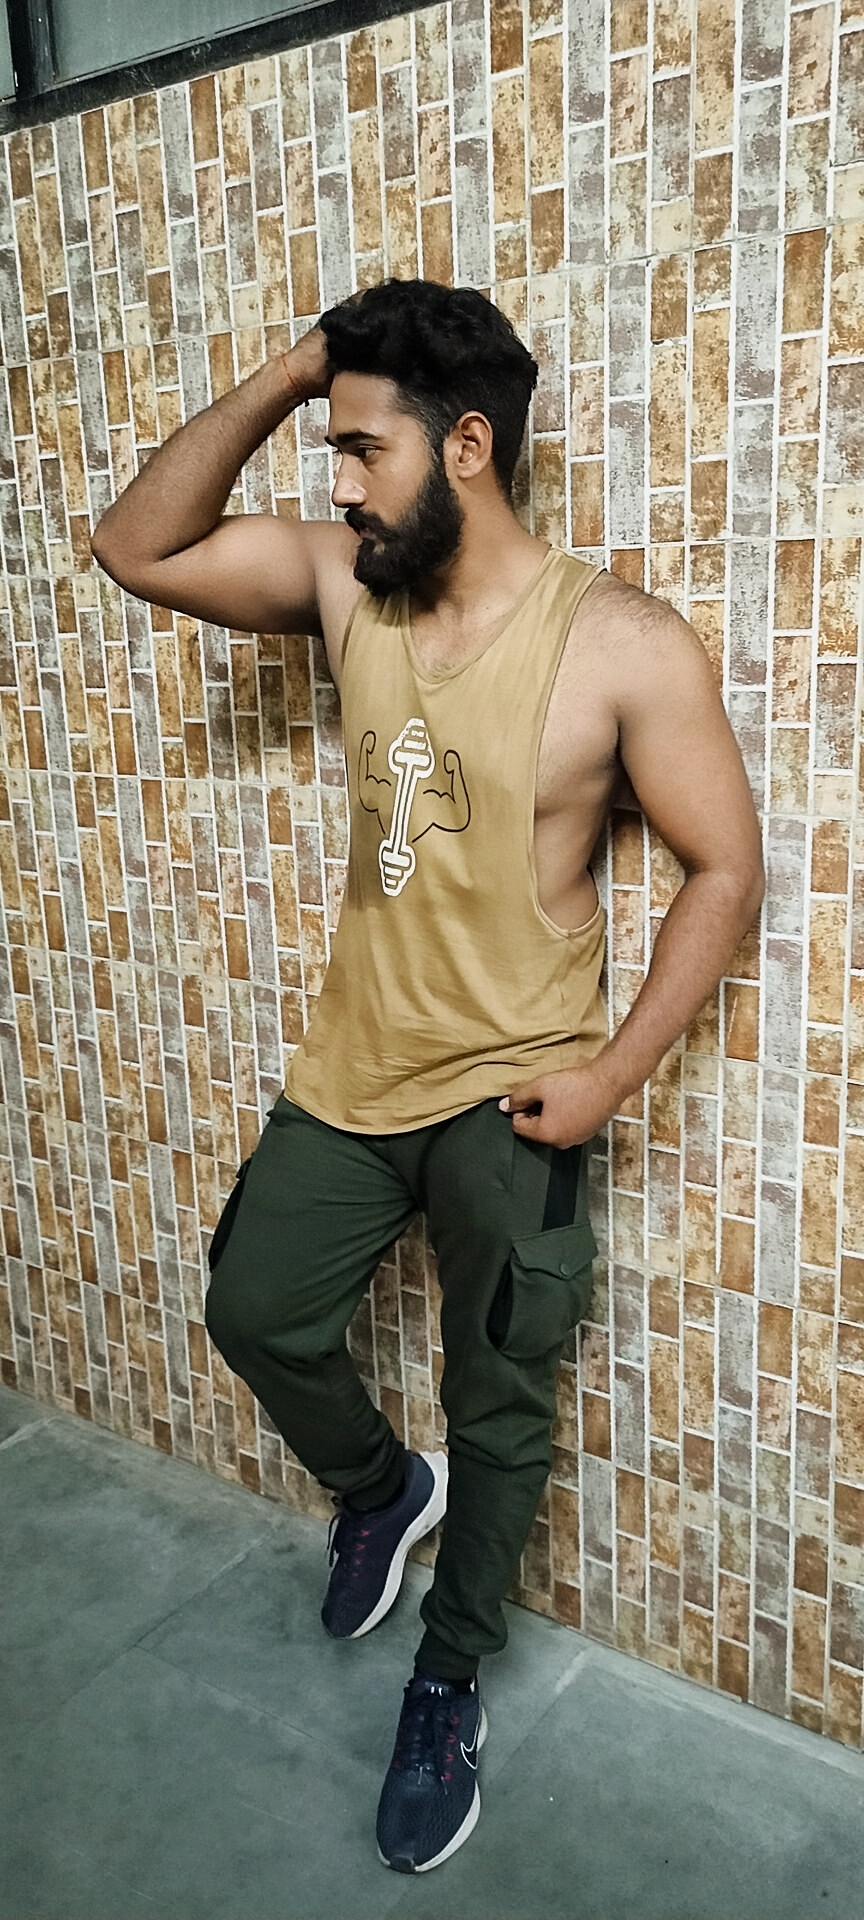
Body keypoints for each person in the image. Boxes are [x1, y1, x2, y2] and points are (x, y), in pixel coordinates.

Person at [91, 278, 764, 1874]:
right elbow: (137, 548)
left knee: (500, 1397)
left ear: (467, 447)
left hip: (513, 1089)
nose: (337, 484)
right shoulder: (349, 583)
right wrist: (298, 371)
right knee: (256, 1312)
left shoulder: (621, 645)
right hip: (353, 1068)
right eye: (332, 450)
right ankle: (382, 1491)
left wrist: (610, 1077)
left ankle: (446, 1681)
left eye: (362, 450)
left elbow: (725, 868)